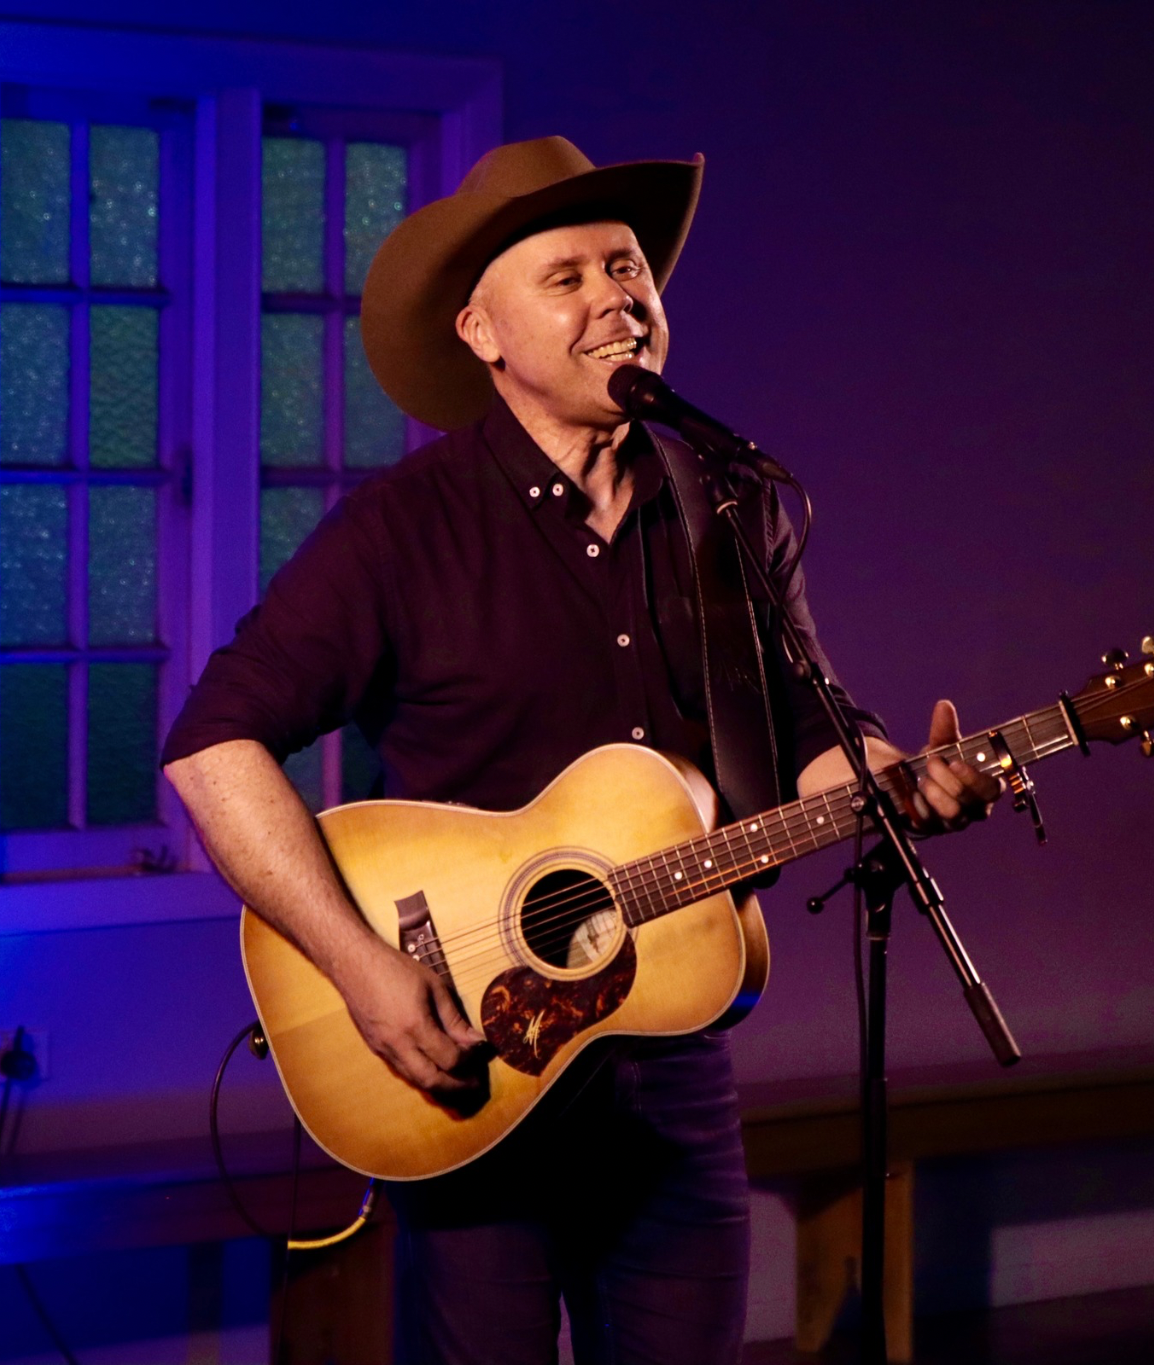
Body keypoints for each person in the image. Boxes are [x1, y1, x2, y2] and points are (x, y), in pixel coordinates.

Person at [162, 136, 999, 1365]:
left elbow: (804, 729)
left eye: (629, 268)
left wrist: (885, 779)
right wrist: (356, 966)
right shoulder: (402, 530)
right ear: (483, 332)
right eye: (569, 276)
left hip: (673, 1059)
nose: (617, 295)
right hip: (467, 1068)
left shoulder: (731, 501)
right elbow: (209, 746)